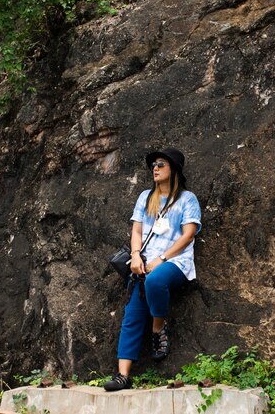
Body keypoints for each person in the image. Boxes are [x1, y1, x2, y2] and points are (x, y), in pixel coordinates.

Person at [104, 148, 202, 392]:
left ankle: (158, 326)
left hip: (175, 262)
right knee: (131, 317)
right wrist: (136, 256)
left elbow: (189, 234)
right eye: (153, 165)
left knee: (155, 281)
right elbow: (137, 231)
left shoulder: (187, 199)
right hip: (144, 263)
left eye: (161, 164)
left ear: (174, 169)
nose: (155, 168)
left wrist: (162, 258)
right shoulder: (146, 197)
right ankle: (123, 376)